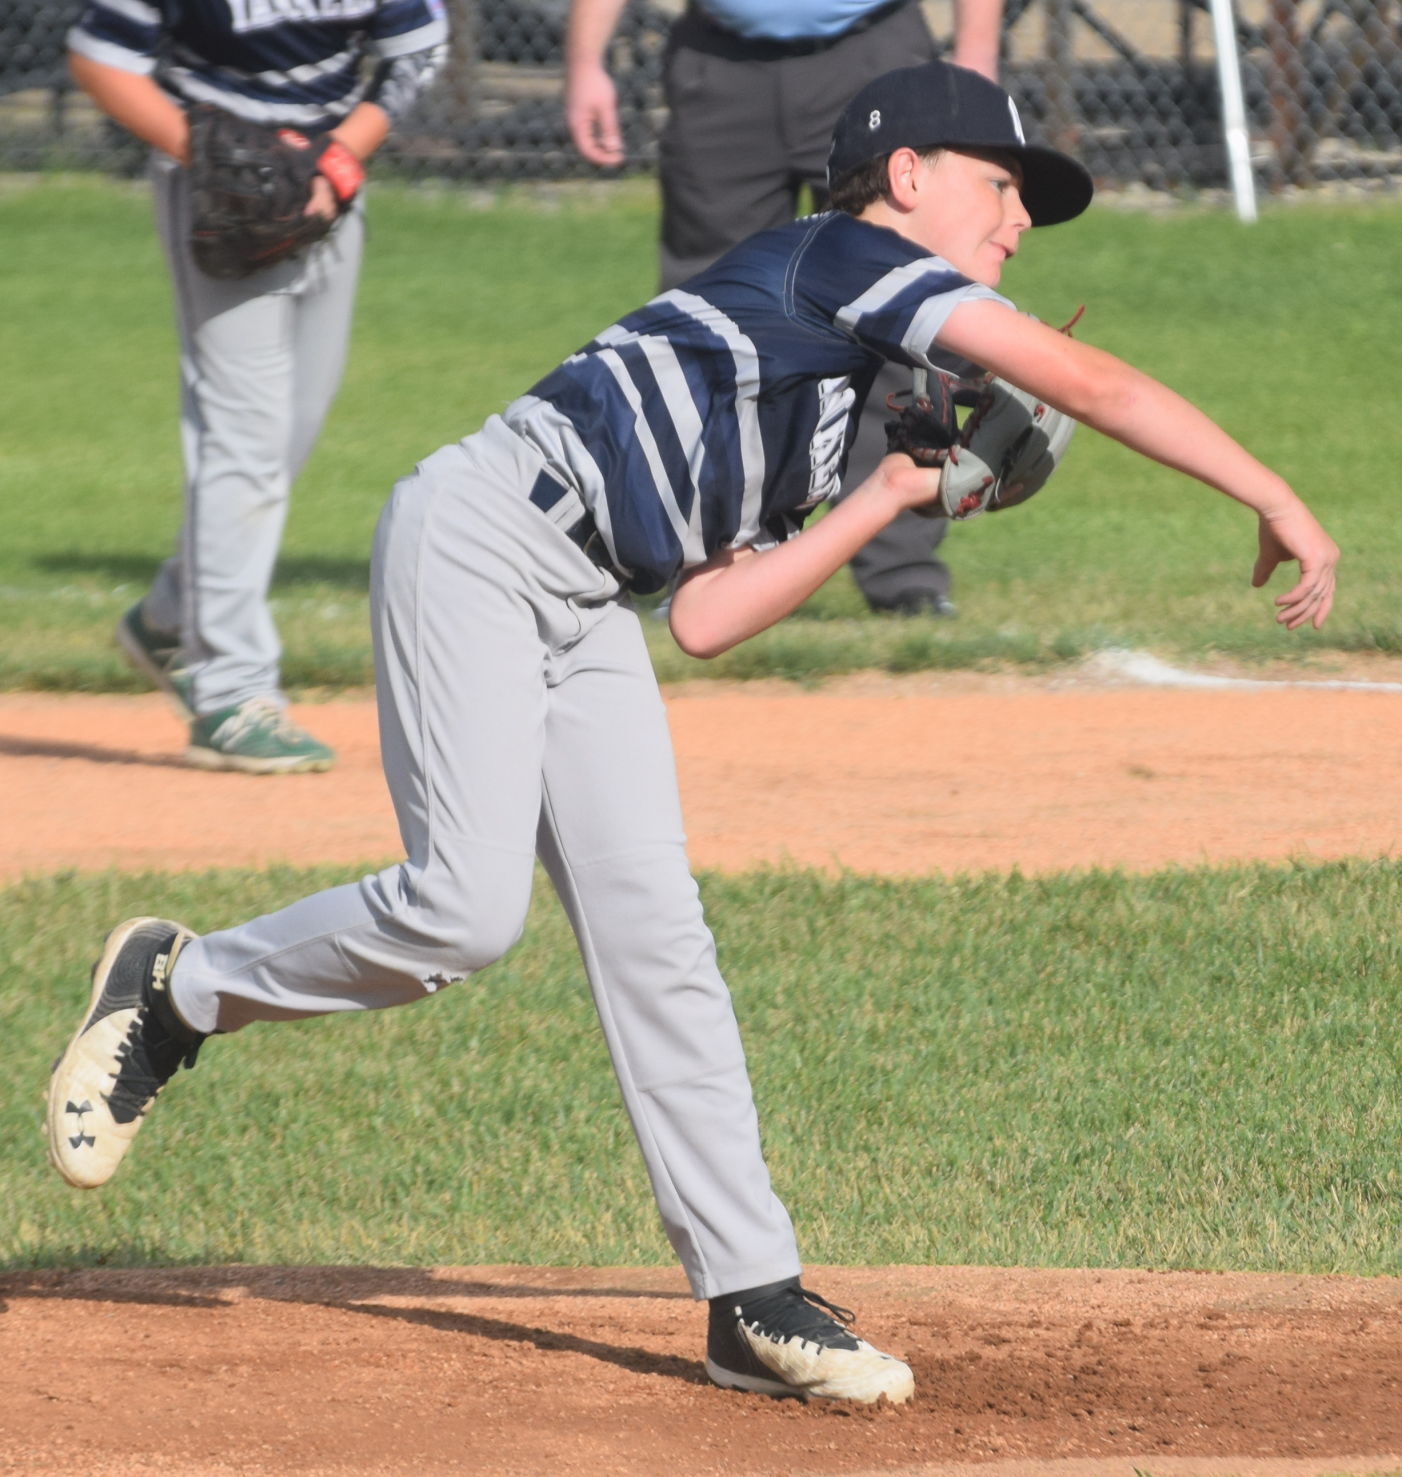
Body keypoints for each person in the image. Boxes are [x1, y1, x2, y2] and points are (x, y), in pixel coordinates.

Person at [46, 60, 1337, 1405]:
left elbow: (710, 616)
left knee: (657, 932)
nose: (1017, 222)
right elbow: (1083, 377)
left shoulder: (831, 385)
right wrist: (1274, 497)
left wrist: (888, 491)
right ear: (906, 179)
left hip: (593, 597)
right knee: (460, 914)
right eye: (1001, 188)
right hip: (483, 537)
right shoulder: (840, 255)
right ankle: (178, 990)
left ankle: (749, 1297)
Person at [67, 1, 449, 774]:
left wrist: (338, 161)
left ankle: (173, 614)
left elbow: (418, 52)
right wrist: (213, 160)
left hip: (331, 190)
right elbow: (99, 59)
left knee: (292, 430)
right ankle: (229, 690)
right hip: (218, 197)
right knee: (244, 434)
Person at [565, 0, 1005, 617]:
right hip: (720, 66)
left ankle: (904, 577)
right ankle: (706, 567)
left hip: (871, 57)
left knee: (899, 306)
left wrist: (976, 55)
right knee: (709, 336)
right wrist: (586, 59)